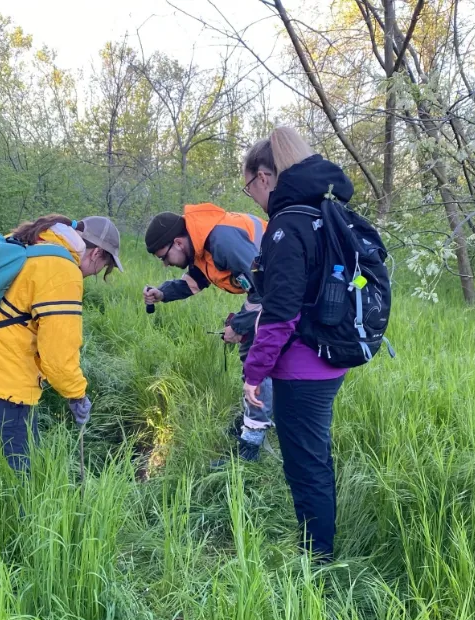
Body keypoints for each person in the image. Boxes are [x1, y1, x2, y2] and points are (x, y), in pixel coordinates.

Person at [240, 127, 353, 561]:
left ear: (265, 177)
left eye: (249, 186)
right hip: (330, 359)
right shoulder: (324, 212)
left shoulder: (288, 225)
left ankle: (316, 563)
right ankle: (318, 547)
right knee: (315, 458)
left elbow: (281, 312)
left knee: (305, 467)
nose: (251, 196)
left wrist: (255, 371)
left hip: (302, 367)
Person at [0, 215, 122, 472]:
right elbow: (57, 354)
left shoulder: (27, 243)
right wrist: (76, 394)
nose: (94, 274)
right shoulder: (62, 269)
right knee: (17, 479)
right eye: (102, 267)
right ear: (96, 253)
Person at [143, 204, 272, 466]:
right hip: (270, 294)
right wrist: (163, 293)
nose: (166, 264)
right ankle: (254, 417)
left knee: (258, 355)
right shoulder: (201, 246)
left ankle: (251, 446)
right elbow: (195, 281)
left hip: (290, 294)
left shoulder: (222, 241)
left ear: (178, 242)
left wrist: (238, 328)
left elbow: (265, 288)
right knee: (255, 354)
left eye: (165, 257)